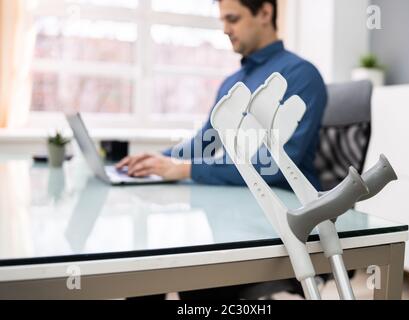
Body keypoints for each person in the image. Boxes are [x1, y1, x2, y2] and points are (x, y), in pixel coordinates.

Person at [119, 0, 328, 300]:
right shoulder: (233, 83)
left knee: (196, 284)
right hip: (235, 209)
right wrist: (159, 159)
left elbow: (273, 165)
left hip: (280, 220)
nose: (225, 30)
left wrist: (185, 169)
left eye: (233, 19)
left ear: (265, 13)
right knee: (146, 267)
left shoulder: (300, 75)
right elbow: (206, 142)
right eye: (223, 20)